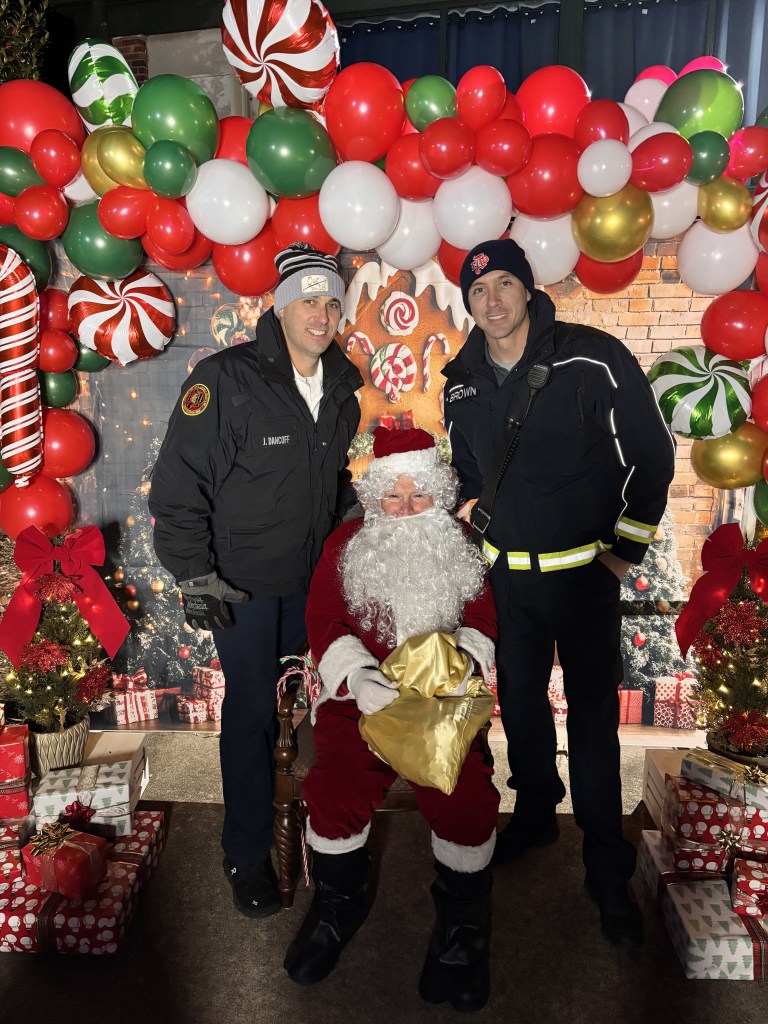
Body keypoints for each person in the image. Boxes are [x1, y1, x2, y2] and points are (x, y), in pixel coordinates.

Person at [443, 238, 675, 950]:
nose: (493, 301)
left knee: (594, 728)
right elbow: (466, 474)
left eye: (504, 284)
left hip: (583, 580)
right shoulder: (460, 380)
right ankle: (537, 814)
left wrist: (623, 554)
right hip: (508, 581)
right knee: (519, 708)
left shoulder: (592, 359)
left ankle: (607, 869)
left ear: (528, 289)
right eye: (478, 291)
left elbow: (651, 457)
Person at [149, 243, 363, 919]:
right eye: (309, 301)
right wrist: (195, 574)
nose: (321, 315)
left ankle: (323, 833)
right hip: (239, 588)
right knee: (250, 714)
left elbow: (330, 479)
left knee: (315, 711)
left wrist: (354, 518)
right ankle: (245, 853)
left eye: (332, 303)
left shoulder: (343, 388)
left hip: (310, 585)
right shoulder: (226, 379)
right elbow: (178, 487)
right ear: (281, 307)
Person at [284, 426, 499, 1012]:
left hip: (442, 698)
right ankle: (339, 906)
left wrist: (465, 664)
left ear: (438, 493)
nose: (405, 508)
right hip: (362, 696)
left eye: (418, 495)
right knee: (336, 785)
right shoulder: (346, 543)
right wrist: (355, 677)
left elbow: (482, 617)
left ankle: (461, 931)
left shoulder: (461, 542)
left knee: (465, 794)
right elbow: (324, 619)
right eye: (393, 496)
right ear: (374, 497)